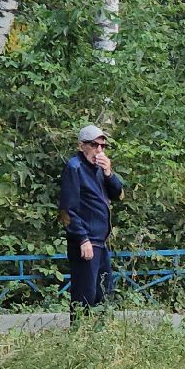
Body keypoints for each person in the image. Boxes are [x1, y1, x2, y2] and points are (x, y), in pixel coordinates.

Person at [59, 124, 123, 310]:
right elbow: (67, 210)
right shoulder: (74, 168)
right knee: (83, 296)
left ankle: (100, 335)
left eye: (103, 146)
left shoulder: (99, 169)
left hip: (101, 242)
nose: (99, 150)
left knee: (104, 293)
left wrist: (109, 173)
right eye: (94, 145)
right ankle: (78, 335)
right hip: (86, 242)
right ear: (81, 146)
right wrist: (82, 239)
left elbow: (118, 193)